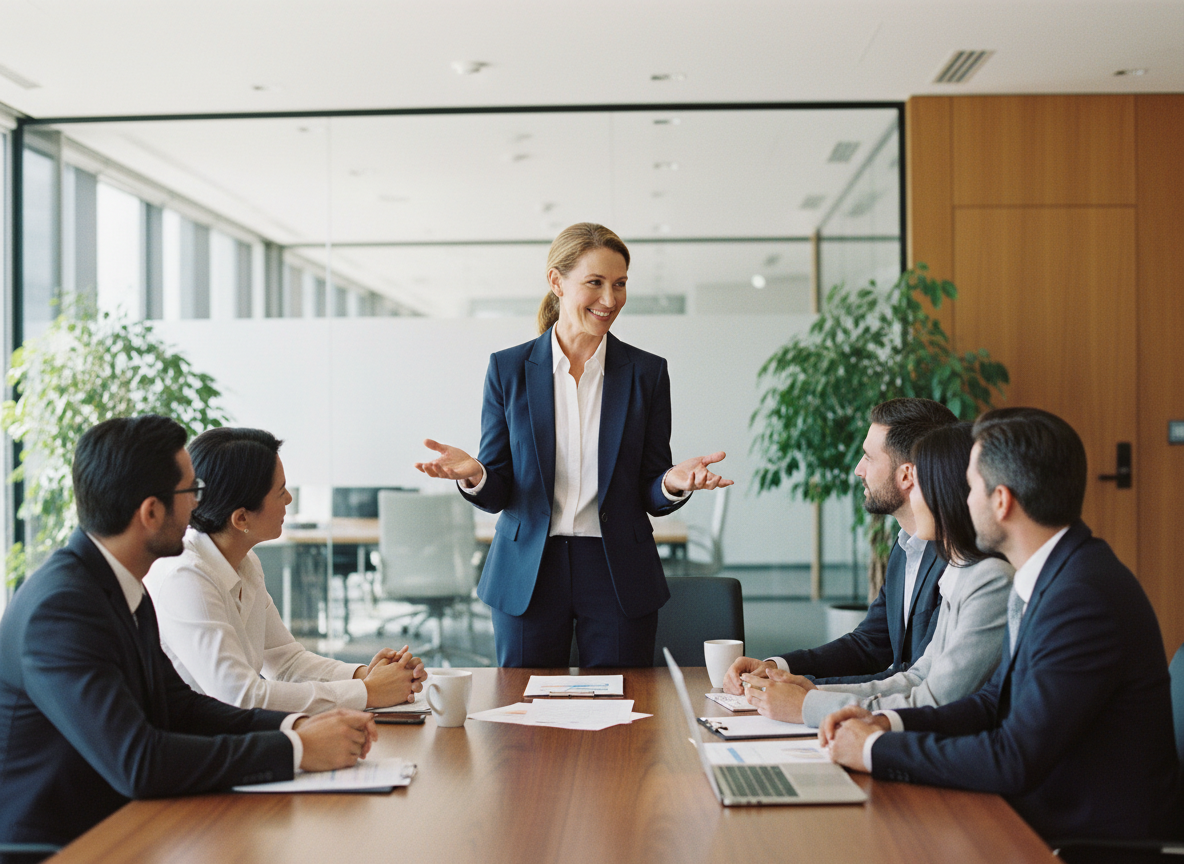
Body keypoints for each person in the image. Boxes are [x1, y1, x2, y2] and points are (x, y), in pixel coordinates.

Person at [0, 416, 377, 851]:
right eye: (192, 492)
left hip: (123, 824)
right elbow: (138, 761)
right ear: (151, 512)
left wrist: (301, 725)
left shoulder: (116, 582)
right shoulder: (62, 609)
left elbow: (178, 707)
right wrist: (294, 748)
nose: (200, 506)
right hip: (62, 847)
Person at [821, 408, 1178, 842]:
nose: (959, 499)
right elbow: (993, 702)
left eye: (970, 487)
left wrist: (874, 750)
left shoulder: (1082, 597)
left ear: (1002, 501)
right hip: (1036, 815)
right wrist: (888, 725)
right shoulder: (1055, 574)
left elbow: (1014, 757)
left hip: (1082, 840)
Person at [414, 222, 732, 667]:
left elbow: (650, 489)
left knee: (624, 711)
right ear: (556, 282)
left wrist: (672, 482)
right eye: (595, 283)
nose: (610, 300)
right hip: (528, 571)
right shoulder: (508, 370)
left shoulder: (646, 373)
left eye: (620, 285)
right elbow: (500, 488)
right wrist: (476, 475)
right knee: (523, 715)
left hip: (616, 569)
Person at [742, 423, 1013, 726]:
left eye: (919, 483)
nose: (913, 495)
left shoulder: (988, 578)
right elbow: (915, 675)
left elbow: (935, 699)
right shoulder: (944, 563)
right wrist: (813, 690)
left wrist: (811, 705)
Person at [145, 427, 426, 714]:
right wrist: (368, 692)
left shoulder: (245, 561)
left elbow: (286, 662)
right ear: (241, 517)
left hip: (233, 736)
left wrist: (364, 676)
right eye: (280, 492)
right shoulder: (185, 576)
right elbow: (240, 696)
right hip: (197, 745)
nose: (289, 499)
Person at [723, 398, 956, 693]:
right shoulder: (904, 547)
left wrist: (805, 691)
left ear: (906, 475)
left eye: (868, 458)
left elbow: (915, 678)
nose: (858, 470)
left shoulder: (958, 558)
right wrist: (776, 669)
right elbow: (869, 645)